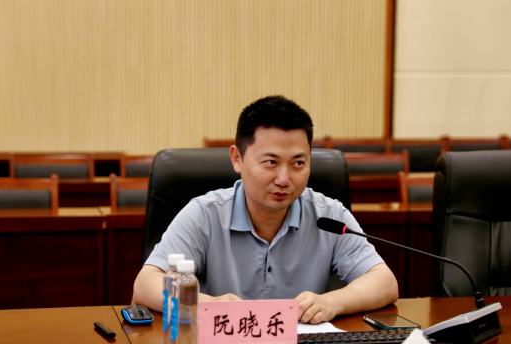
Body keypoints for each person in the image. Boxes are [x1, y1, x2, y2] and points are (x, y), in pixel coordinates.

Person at [133, 95, 398, 324]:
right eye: (271, 162)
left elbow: (384, 282)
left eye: (298, 163)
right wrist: (208, 305)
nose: (284, 179)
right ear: (237, 159)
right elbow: (146, 285)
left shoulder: (329, 215)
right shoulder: (204, 214)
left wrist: (332, 302)